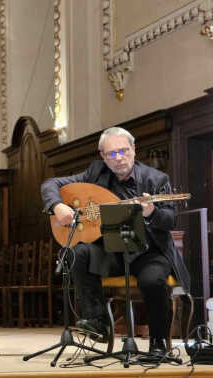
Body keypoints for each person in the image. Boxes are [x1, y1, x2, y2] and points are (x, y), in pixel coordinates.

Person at [41, 126, 190, 361]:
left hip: (147, 252)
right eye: (112, 154)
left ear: (133, 149)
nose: (119, 158)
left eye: (124, 151)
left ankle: (159, 342)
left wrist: (151, 211)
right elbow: (50, 184)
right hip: (111, 252)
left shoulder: (157, 179)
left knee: (152, 280)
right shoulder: (95, 173)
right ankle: (97, 321)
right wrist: (57, 206)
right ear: (102, 156)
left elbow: (170, 219)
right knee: (76, 252)